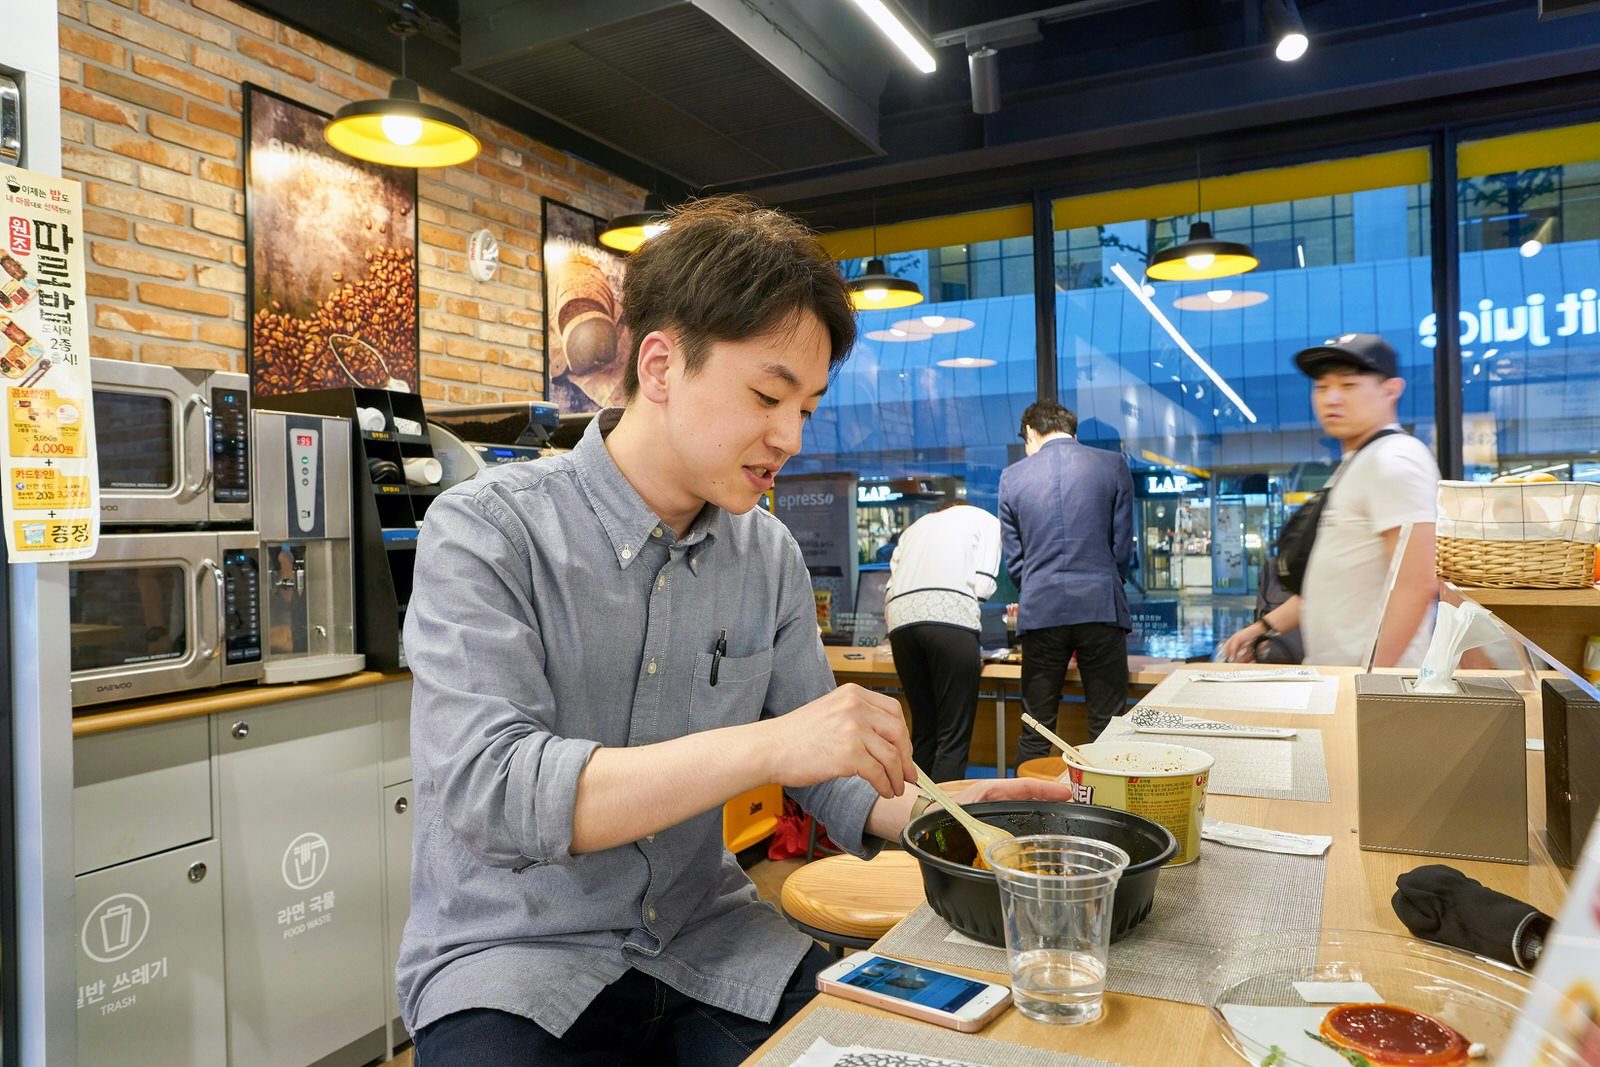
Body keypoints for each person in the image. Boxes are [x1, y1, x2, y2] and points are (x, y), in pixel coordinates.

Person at [398, 196, 1069, 1065]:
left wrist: (958, 813)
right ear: (662, 363)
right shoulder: (487, 530)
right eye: (766, 395)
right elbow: (498, 790)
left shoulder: (768, 554)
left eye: (808, 408)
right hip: (514, 965)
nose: (788, 436)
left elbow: (836, 785)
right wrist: (771, 747)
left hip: (710, 948)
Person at [1220, 333, 1439, 667]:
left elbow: (1417, 583)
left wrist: (1371, 682)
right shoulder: (1356, 465)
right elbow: (1331, 587)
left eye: (1348, 385)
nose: (1331, 398)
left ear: (1391, 390)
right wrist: (1262, 627)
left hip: (1371, 688)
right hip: (1336, 678)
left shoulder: (1394, 459)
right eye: (1322, 387)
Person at [999, 399, 1135, 759]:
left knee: (1036, 727)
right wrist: (1105, 580)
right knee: (1108, 727)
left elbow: (1014, 559)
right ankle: (1109, 812)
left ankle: (1027, 811)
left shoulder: (1012, 477)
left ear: (1030, 431)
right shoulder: (1112, 465)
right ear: (1073, 430)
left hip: (1042, 611)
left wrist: (1037, 587)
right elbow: (1122, 547)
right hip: (1101, 607)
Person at [883, 499, 1002, 782]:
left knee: (924, 730)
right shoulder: (984, 519)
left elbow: (890, 586)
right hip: (951, 618)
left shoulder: (913, 528)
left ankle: (912, 818)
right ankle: (942, 821)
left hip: (900, 622)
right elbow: (983, 584)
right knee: (953, 736)